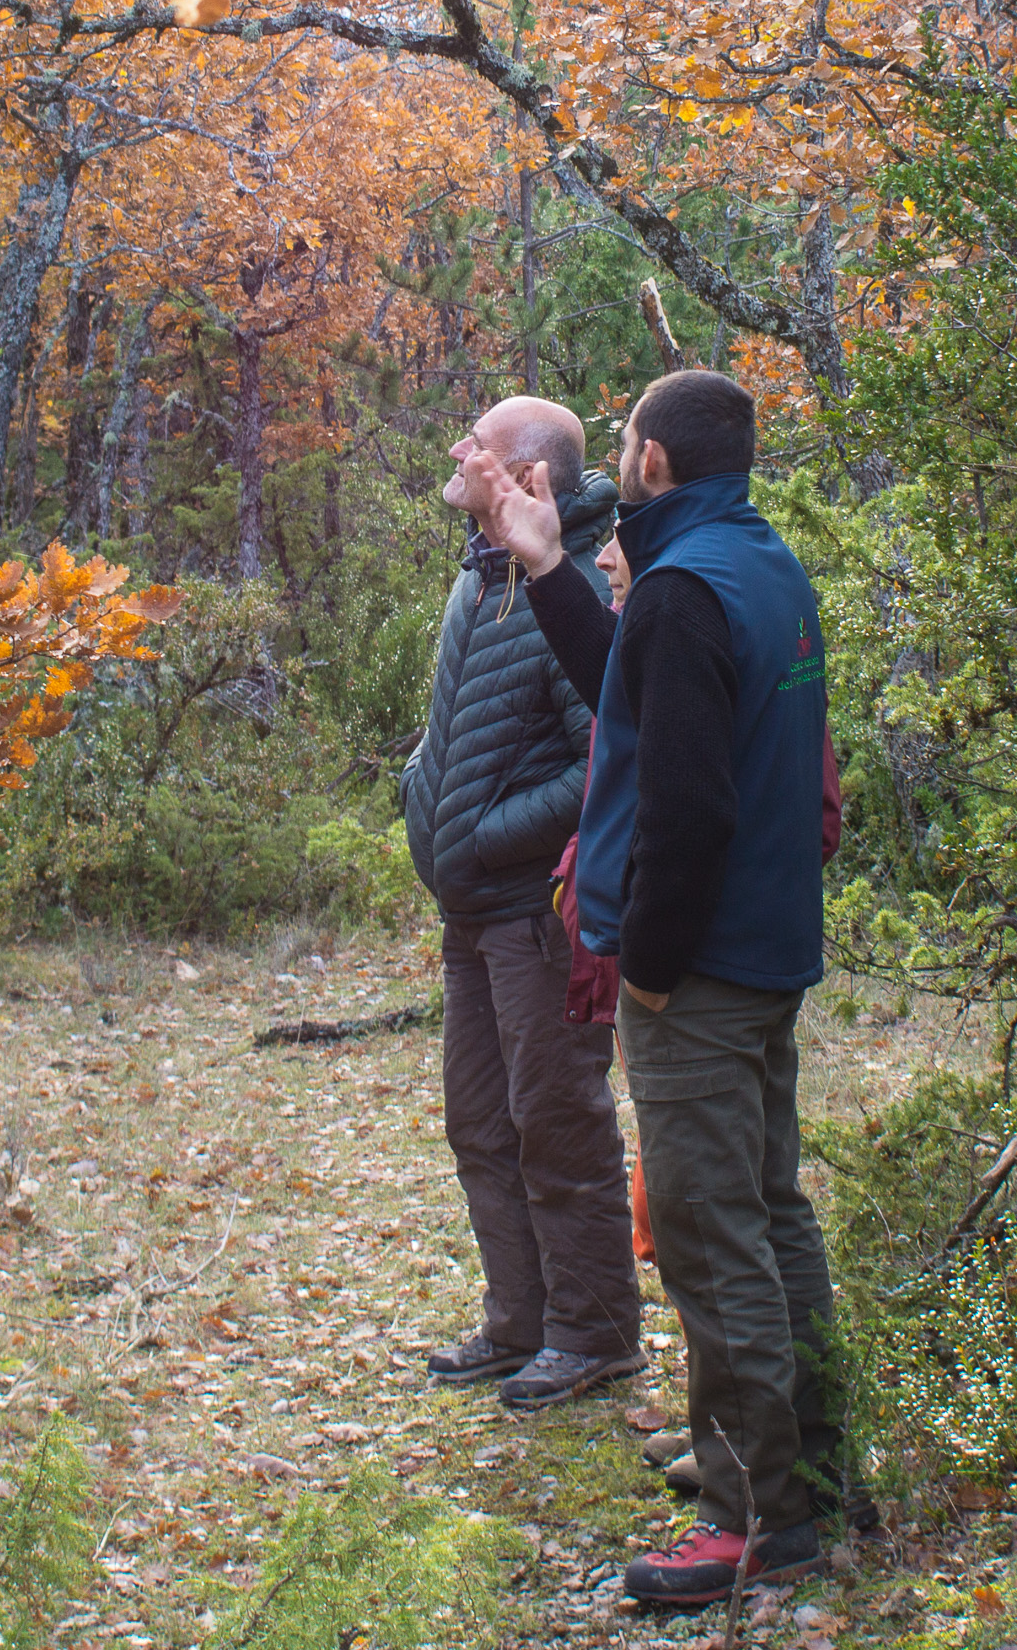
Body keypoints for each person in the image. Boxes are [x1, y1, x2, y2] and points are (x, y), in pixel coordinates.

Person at [460, 368, 847, 1608]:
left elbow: (686, 806)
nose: (615, 461)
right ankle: (808, 1465)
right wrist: (546, 560)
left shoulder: (685, 588)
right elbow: (647, 688)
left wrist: (657, 967)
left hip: (707, 968)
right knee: (769, 1209)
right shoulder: (754, 561)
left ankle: (753, 1516)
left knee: (707, 1230)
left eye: (624, 445)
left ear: (654, 465)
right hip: (768, 947)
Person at [402, 395, 644, 1412]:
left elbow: (610, 753)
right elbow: (465, 730)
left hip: (538, 910)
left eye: (480, 443)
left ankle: (593, 1333)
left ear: (527, 472)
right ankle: (520, 1320)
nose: (459, 451)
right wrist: (419, 785)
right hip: (471, 909)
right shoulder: (481, 569)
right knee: (481, 1120)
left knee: (556, 1118)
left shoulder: (572, 587)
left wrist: (495, 832)